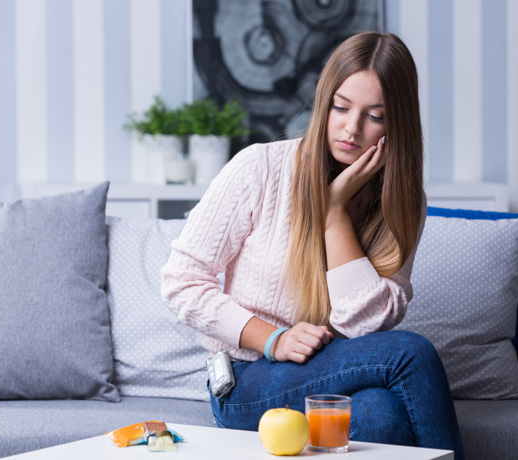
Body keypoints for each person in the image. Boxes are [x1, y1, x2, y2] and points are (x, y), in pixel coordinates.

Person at [161, 31, 464, 458]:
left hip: (332, 374)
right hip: (246, 378)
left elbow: (364, 327)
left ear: (397, 122)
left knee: (382, 415)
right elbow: (181, 282)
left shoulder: (403, 202)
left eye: (374, 116)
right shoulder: (260, 168)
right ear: (324, 103)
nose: (351, 128)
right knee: (411, 354)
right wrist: (273, 339)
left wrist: (334, 215)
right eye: (340, 108)